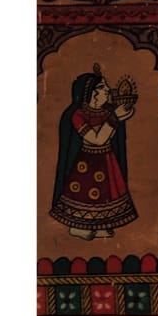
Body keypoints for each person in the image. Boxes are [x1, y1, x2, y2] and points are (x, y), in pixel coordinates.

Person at [49, 66, 139, 239]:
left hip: (107, 160)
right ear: (91, 93)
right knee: (86, 194)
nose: (107, 90)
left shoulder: (107, 112)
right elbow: (96, 139)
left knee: (106, 194)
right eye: (102, 87)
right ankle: (80, 226)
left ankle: (100, 224)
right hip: (87, 163)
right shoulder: (78, 115)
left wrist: (118, 116)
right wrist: (115, 119)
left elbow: (110, 136)